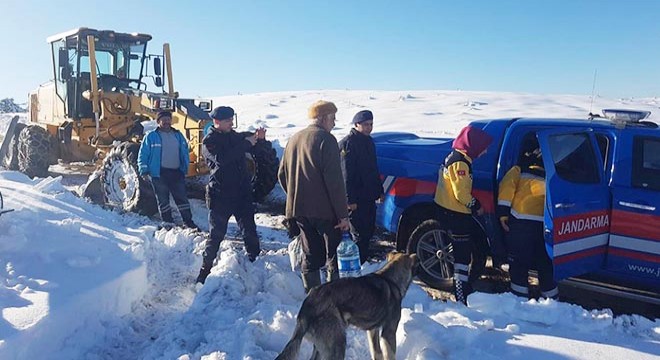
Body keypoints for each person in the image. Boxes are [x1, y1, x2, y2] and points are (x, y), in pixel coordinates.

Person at [278, 100, 350, 293]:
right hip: (326, 211)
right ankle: (335, 298)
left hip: (299, 210)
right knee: (334, 256)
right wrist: (343, 215)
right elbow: (335, 182)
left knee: (310, 255)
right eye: (333, 118)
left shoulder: (294, 139)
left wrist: (295, 195)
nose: (334, 123)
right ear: (324, 118)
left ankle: (313, 297)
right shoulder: (326, 140)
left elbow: (281, 175)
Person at [196, 106, 265, 284]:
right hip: (221, 195)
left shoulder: (235, 136)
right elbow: (222, 159)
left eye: (232, 120)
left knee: (249, 230)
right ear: (217, 122)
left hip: (241, 193)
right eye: (228, 121)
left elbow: (253, 150)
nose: (231, 123)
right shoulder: (209, 141)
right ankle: (205, 270)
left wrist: (260, 140)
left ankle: (255, 264)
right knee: (216, 234)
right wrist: (245, 144)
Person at [434, 125, 493, 305]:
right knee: (461, 257)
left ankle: (462, 288)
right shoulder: (461, 163)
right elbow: (461, 194)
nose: (485, 151)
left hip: (447, 210)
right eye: (483, 147)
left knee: (461, 253)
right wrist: (476, 206)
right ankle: (461, 295)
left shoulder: (456, 156)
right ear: (474, 145)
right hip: (455, 214)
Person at [498, 134, 558, 299]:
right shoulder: (555, 174)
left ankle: (519, 298)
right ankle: (552, 300)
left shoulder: (518, 169)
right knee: (545, 263)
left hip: (521, 222)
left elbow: (506, 190)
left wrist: (503, 214)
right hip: (546, 224)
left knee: (518, 262)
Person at [138, 110, 198, 230]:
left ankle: (188, 222)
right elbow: (143, 154)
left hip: (176, 172)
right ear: (158, 121)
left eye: (168, 119)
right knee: (163, 199)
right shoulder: (151, 136)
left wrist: (184, 167)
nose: (166, 122)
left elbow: (185, 151)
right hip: (159, 173)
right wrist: (143, 170)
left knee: (182, 199)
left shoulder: (178, 135)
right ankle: (167, 222)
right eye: (163, 120)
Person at [338, 110, 384, 264]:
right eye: (365, 124)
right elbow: (346, 175)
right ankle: (356, 265)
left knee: (368, 231)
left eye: (371, 124)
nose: (369, 127)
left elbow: (373, 169)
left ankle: (362, 261)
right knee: (358, 234)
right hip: (356, 199)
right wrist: (349, 200)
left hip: (368, 196)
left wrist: (379, 191)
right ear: (356, 124)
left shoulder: (368, 141)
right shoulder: (349, 143)